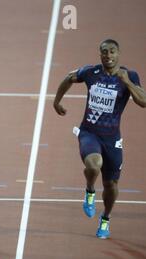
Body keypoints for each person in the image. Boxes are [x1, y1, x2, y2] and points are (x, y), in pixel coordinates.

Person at [53, 39, 146, 239]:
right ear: (100, 55)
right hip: (89, 133)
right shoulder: (90, 72)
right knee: (94, 166)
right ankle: (89, 190)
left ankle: (105, 218)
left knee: (111, 185)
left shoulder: (130, 75)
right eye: (104, 52)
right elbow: (69, 78)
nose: (108, 56)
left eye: (112, 52)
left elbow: (143, 101)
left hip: (112, 139)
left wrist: (127, 82)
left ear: (118, 54)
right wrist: (56, 101)